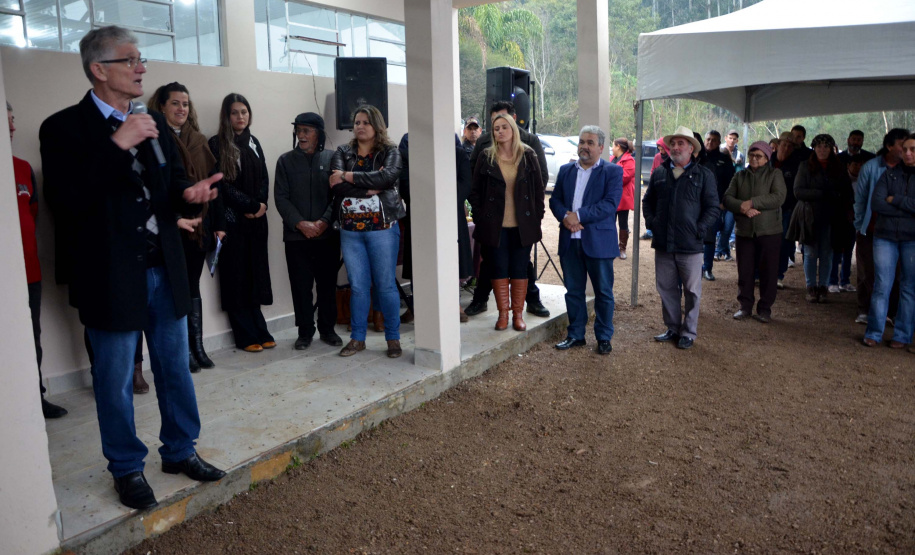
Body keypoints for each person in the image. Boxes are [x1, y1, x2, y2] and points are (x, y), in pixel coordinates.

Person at [39, 25, 225, 510]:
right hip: (109, 275)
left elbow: (172, 184)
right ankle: (126, 468)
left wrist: (190, 195)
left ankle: (180, 450)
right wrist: (116, 144)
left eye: (141, 59)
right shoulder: (62, 128)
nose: (142, 67)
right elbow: (67, 200)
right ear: (99, 70)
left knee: (175, 369)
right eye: (131, 60)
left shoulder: (155, 123)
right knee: (116, 379)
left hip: (165, 265)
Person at [148, 82, 222, 371]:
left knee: (193, 286)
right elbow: (160, 187)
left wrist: (216, 224)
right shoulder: (155, 139)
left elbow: (213, 186)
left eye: (186, 104)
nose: (182, 109)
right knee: (174, 290)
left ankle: (198, 347)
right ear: (162, 106)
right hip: (168, 226)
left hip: (199, 225)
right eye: (176, 103)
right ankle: (184, 353)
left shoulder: (198, 139)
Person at [329, 105, 406, 358]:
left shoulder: (390, 152)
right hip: (350, 231)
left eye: (365, 122)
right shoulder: (343, 151)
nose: (360, 126)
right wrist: (366, 188)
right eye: (357, 122)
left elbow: (386, 180)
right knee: (359, 287)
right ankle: (357, 338)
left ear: (377, 126)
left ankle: (393, 339)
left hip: (382, 228)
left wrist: (348, 175)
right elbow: (335, 187)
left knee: (385, 286)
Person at [9, 101, 68, 419]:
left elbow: (31, 212)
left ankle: (35, 398)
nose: (12, 127)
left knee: (32, 335)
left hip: (29, 269)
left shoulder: (22, 168)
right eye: (6, 122)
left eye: (13, 120)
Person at [465, 100, 550, 319]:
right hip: (493, 221)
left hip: (523, 220)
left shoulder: (529, 147)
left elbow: (540, 183)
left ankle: (524, 308)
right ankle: (490, 306)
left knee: (521, 266)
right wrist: (481, 214)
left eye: (504, 123)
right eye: (496, 124)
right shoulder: (485, 148)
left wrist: (536, 215)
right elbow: (473, 183)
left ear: (513, 121)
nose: (500, 128)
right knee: (495, 264)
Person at [642, 126, 719, 350]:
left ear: (692, 149)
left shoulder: (704, 175)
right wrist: (652, 222)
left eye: (681, 144)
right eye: (673, 143)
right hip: (664, 243)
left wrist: (699, 229)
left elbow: (713, 208)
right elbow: (648, 202)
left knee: (692, 291)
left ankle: (689, 332)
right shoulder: (659, 173)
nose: (675, 147)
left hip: (690, 245)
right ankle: (673, 327)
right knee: (666, 288)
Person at [209, 94, 274, 353]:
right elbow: (221, 184)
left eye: (244, 112)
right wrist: (249, 206)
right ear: (227, 116)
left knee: (254, 274)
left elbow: (264, 177)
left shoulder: (254, 141)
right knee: (236, 276)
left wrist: (261, 204)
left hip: (257, 221)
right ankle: (244, 333)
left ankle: (259, 326)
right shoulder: (216, 144)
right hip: (232, 221)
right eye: (235, 113)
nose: (240, 117)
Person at [550, 126, 621, 355]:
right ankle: (576, 335)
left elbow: (609, 205)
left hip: (598, 241)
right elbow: (555, 200)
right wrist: (565, 217)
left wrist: (577, 216)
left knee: (603, 292)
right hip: (570, 240)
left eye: (590, 143)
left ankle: (603, 337)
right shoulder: (565, 170)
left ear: (601, 147)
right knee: (573, 291)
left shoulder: (612, 172)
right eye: (582, 142)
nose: (584, 146)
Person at [274, 112, 342, 350]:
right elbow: (281, 198)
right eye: (298, 130)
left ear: (319, 134)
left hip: (327, 236)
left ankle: (328, 330)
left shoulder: (334, 159)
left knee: (326, 285)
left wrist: (323, 222)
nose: (301, 135)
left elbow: (338, 197)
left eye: (306, 131)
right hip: (296, 237)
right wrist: (301, 224)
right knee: (300, 286)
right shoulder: (285, 161)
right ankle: (304, 332)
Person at [723, 141, 786, 322]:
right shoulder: (740, 175)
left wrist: (752, 203)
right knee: (745, 271)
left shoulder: (775, 174)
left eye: (759, 156)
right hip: (744, 231)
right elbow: (727, 198)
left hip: (769, 231)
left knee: (768, 271)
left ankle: (765, 309)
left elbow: (778, 197)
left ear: (767, 158)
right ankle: (745, 306)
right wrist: (742, 208)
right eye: (751, 155)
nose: (754, 159)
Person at [862, 134, 915, 349]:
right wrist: (908, 208)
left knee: (909, 287)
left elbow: (887, 204)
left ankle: (902, 336)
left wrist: (897, 200)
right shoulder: (888, 175)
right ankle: (874, 332)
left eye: (913, 149)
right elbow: (876, 204)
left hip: (912, 239)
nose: (908, 153)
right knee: (882, 285)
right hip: (884, 237)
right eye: (905, 149)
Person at [853, 128, 909, 325]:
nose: (906, 150)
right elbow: (860, 199)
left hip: (900, 230)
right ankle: (864, 309)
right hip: (871, 227)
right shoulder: (871, 167)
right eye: (902, 146)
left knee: (896, 272)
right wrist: (860, 224)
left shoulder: (908, 169)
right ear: (889, 146)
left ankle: (890, 312)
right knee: (866, 270)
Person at [792, 134, 853, 303]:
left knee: (827, 253)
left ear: (832, 149)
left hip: (833, 217)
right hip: (810, 216)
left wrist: (840, 200)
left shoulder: (839, 168)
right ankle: (811, 287)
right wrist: (822, 194)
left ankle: (823, 287)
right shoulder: (805, 166)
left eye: (826, 147)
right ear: (814, 148)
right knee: (810, 253)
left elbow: (847, 192)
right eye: (819, 146)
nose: (822, 150)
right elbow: (798, 191)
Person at [701, 130, 736, 281]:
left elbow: (730, 183)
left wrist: (723, 202)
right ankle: (695, 267)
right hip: (697, 203)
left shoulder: (724, 159)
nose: (710, 142)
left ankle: (707, 268)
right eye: (708, 139)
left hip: (715, 205)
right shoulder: (698, 157)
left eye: (714, 140)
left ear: (719, 142)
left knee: (710, 236)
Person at [770, 131, 801, 289]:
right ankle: (758, 274)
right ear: (777, 145)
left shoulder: (796, 165)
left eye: (790, 146)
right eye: (784, 144)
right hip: (766, 209)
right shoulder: (767, 160)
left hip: (786, 210)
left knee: (783, 243)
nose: (786, 147)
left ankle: (778, 275)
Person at [715, 129, 743, 260]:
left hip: (733, 197)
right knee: (720, 226)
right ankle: (724, 251)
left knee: (727, 227)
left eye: (734, 138)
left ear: (737, 140)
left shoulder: (740, 156)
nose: (732, 140)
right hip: (719, 197)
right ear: (726, 138)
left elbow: (739, 175)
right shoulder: (719, 153)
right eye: (730, 138)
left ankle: (719, 251)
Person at [610, 137, 634, 260]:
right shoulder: (611, 159)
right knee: (610, 222)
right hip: (611, 197)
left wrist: (610, 177)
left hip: (623, 198)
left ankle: (622, 249)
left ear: (618, 146)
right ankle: (612, 247)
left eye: (613, 146)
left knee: (623, 223)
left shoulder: (629, 160)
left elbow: (625, 177)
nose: (612, 148)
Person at [641, 137, 670, 240]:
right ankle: (650, 231)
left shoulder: (671, 157)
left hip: (666, 187)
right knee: (653, 207)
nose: (661, 151)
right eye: (659, 148)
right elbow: (653, 169)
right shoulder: (657, 157)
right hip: (656, 185)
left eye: (663, 149)